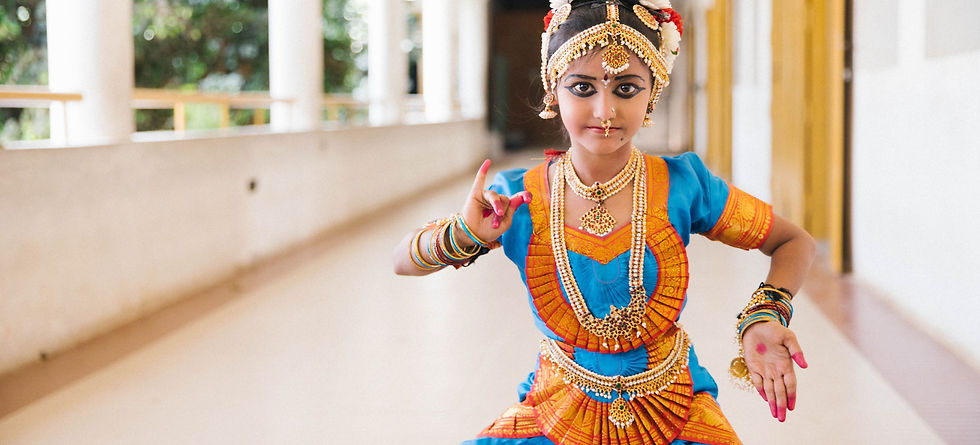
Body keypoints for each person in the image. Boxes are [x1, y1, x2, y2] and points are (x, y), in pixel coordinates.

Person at [393, 0, 816, 443]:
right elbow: (401, 261)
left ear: (652, 92)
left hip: (677, 407)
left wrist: (765, 314)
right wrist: (463, 235)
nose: (604, 111)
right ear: (553, 91)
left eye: (626, 89)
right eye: (582, 88)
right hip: (557, 407)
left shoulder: (684, 184)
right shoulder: (518, 197)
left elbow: (793, 242)